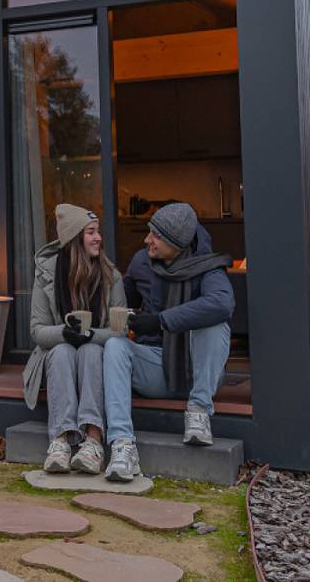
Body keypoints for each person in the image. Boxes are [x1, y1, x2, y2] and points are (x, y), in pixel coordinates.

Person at [102, 202, 234, 483]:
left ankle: (198, 411)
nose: (147, 240)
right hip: (155, 367)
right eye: (150, 231)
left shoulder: (208, 267)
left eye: (156, 235)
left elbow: (222, 303)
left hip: (196, 373)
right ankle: (122, 444)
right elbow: (122, 302)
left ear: (177, 243)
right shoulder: (141, 262)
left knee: (215, 324)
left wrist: (161, 320)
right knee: (115, 346)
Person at [23, 204, 128, 475]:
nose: (98, 238)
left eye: (97, 232)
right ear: (74, 238)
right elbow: (37, 331)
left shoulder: (111, 276)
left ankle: (93, 441)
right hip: (58, 359)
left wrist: (92, 335)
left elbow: (120, 329)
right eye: (91, 232)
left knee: (90, 350)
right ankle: (60, 442)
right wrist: (64, 333)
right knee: (62, 351)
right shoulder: (46, 275)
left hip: (95, 358)